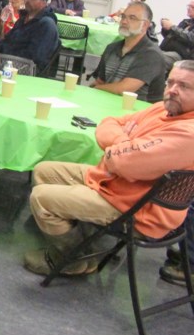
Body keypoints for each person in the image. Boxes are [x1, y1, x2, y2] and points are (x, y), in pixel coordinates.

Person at [23, 60, 194, 276]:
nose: (172, 91)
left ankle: (71, 260)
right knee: (44, 170)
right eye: (170, 83)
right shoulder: (164, 108)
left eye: (185, 86)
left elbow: (122, 163)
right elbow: (109, 122)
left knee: (41, 198)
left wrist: (121, 149)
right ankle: (85, 247)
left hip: (139, 210)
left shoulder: (188, 133)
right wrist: (126, 143)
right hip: (117, 184)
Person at [90, 1, 165, 102]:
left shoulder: (151, 54)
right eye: (123, 16)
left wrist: (98, 89)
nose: (124, 21)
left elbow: (124, 89)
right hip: (109, 103)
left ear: (145, 25)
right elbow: (100, 81)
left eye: (132, 18)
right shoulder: (111, 48)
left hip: (139, 112)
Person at [0, 0, 60, 74]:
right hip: (8, 60)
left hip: (26, 68)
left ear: (44, 3)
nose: (27, 0)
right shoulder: (24, 18)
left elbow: (36, 56)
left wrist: (4, 56)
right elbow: (7, 38)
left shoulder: (47, 24)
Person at [159, 0, 194, 66]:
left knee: (157, 58)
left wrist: (172, 27)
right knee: (147, 53)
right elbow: (172, 36)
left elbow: (191, 38)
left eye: (192, 7)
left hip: (183, 56)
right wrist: (166, 29)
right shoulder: (185, 22)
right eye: (188, 6)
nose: (189, 9)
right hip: (168, 50)